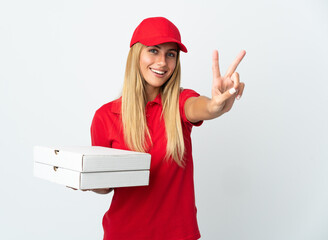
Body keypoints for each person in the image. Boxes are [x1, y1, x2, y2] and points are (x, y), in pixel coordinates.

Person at [90, 17, 246, 240]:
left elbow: (201, 108)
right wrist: (87, 182)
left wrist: (215, 105)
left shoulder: (180, 103)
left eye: (170, 54)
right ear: (136, 55)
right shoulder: (105, 117)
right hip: (122, 234)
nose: (162, 62)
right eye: (154, 51)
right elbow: (105, 187)